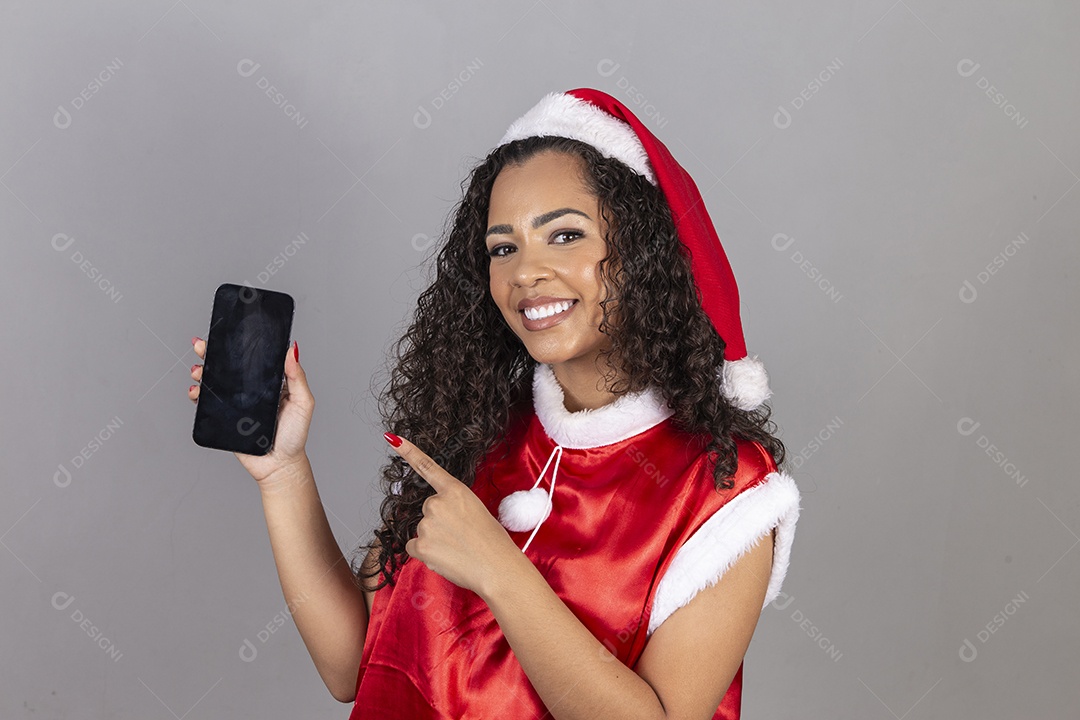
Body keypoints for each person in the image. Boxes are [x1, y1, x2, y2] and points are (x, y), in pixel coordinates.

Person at [188, 88, 801, 719]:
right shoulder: (472, 429)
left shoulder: (729, 490)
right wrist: (284, 473)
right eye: (502, 247)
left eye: (564, 235)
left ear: (645, 254)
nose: (525, 273)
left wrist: (498, 570)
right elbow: (353, 666)